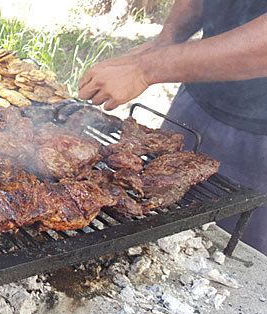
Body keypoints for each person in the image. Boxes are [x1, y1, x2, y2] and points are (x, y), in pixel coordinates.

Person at [78, 0, 267, 255]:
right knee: (154, 213)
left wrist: (147, 68)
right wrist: (164, 44)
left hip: (259, 140)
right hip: (197, 98)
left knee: (227, 250)